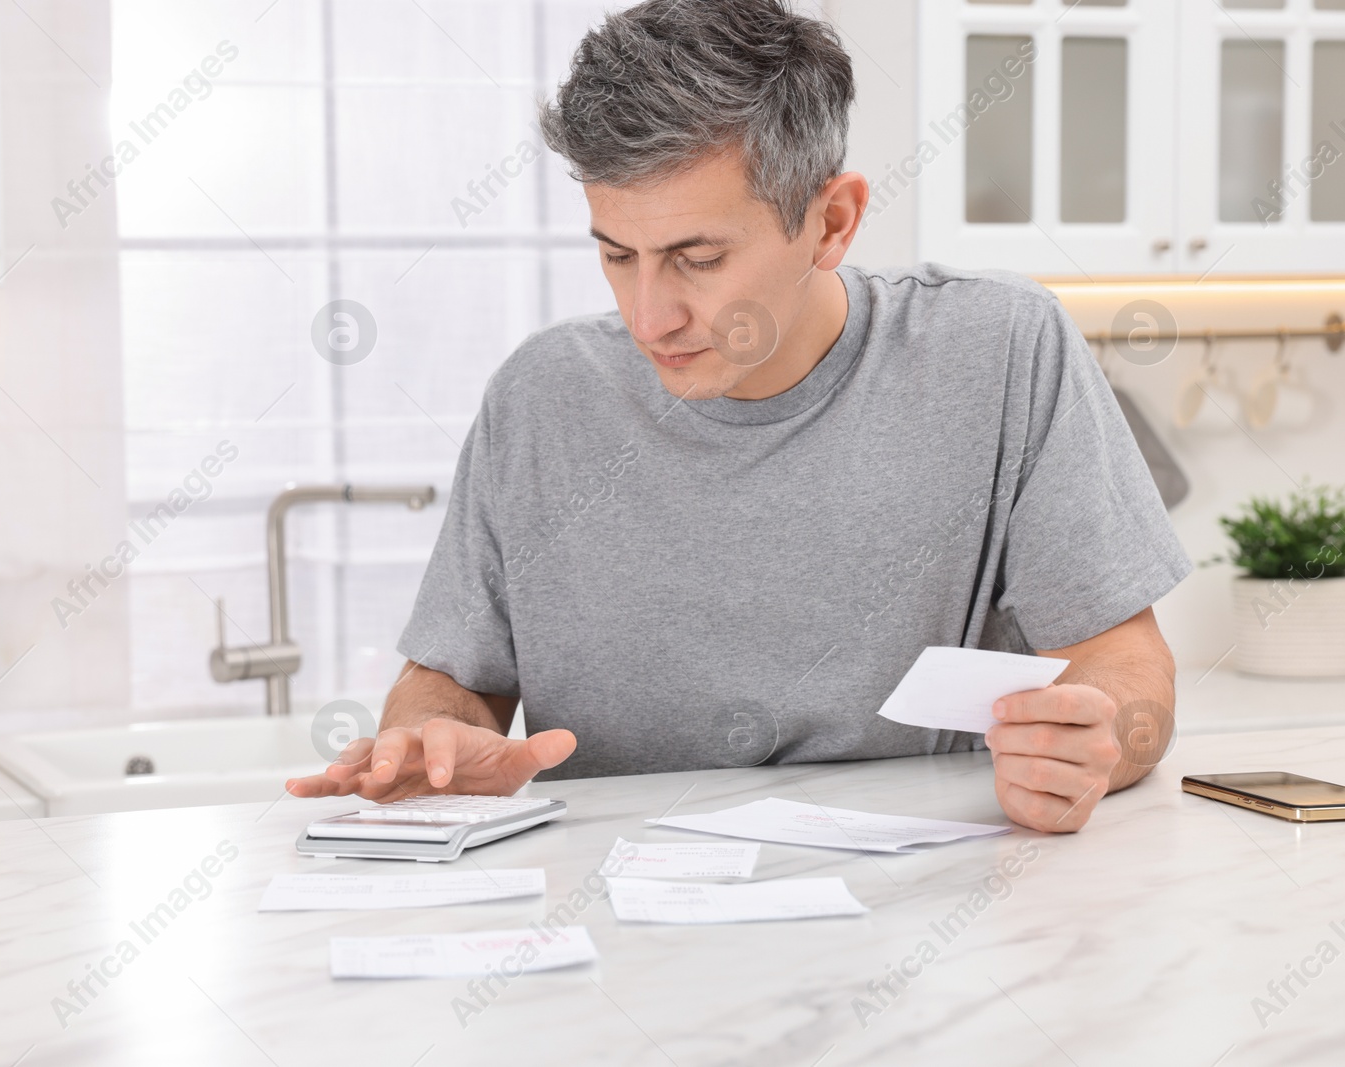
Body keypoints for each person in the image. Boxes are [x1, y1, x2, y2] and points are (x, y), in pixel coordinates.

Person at [288, 0, 1189, 833]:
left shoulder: (1000, 351)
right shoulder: (542, 397)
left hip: (928, 922)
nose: (649, 317)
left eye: (697, 257)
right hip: (620, 931)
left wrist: (1094, 745)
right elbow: (449, 682)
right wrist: (434, 745)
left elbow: (1127, 667)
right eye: (616, 254)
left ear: (831, 222)